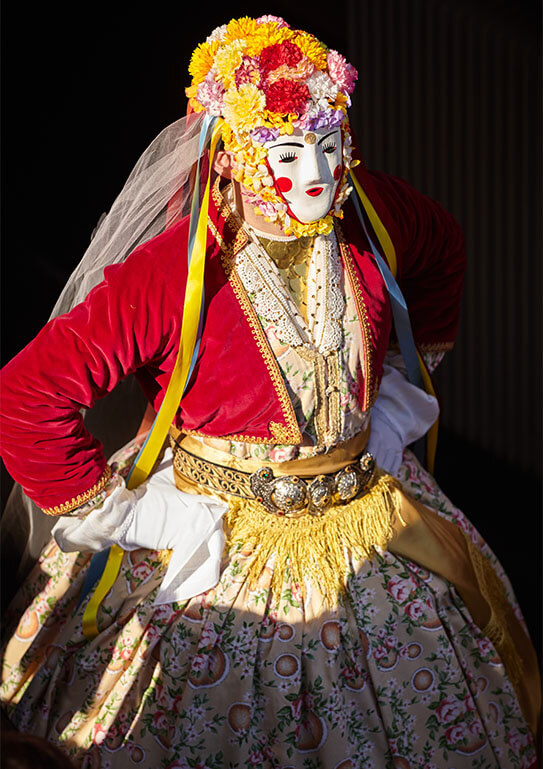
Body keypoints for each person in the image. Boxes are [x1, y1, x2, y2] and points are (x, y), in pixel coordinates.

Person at [0, 14, 539, 769]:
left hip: (369, 508)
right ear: (228, 160)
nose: (315, 173)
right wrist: (133, 510)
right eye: (286, 153)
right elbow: (28, 396)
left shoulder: (375, 218)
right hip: (212, 537)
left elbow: (441, 247)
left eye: (327, 145)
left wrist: (389, 399)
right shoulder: (177, 273)